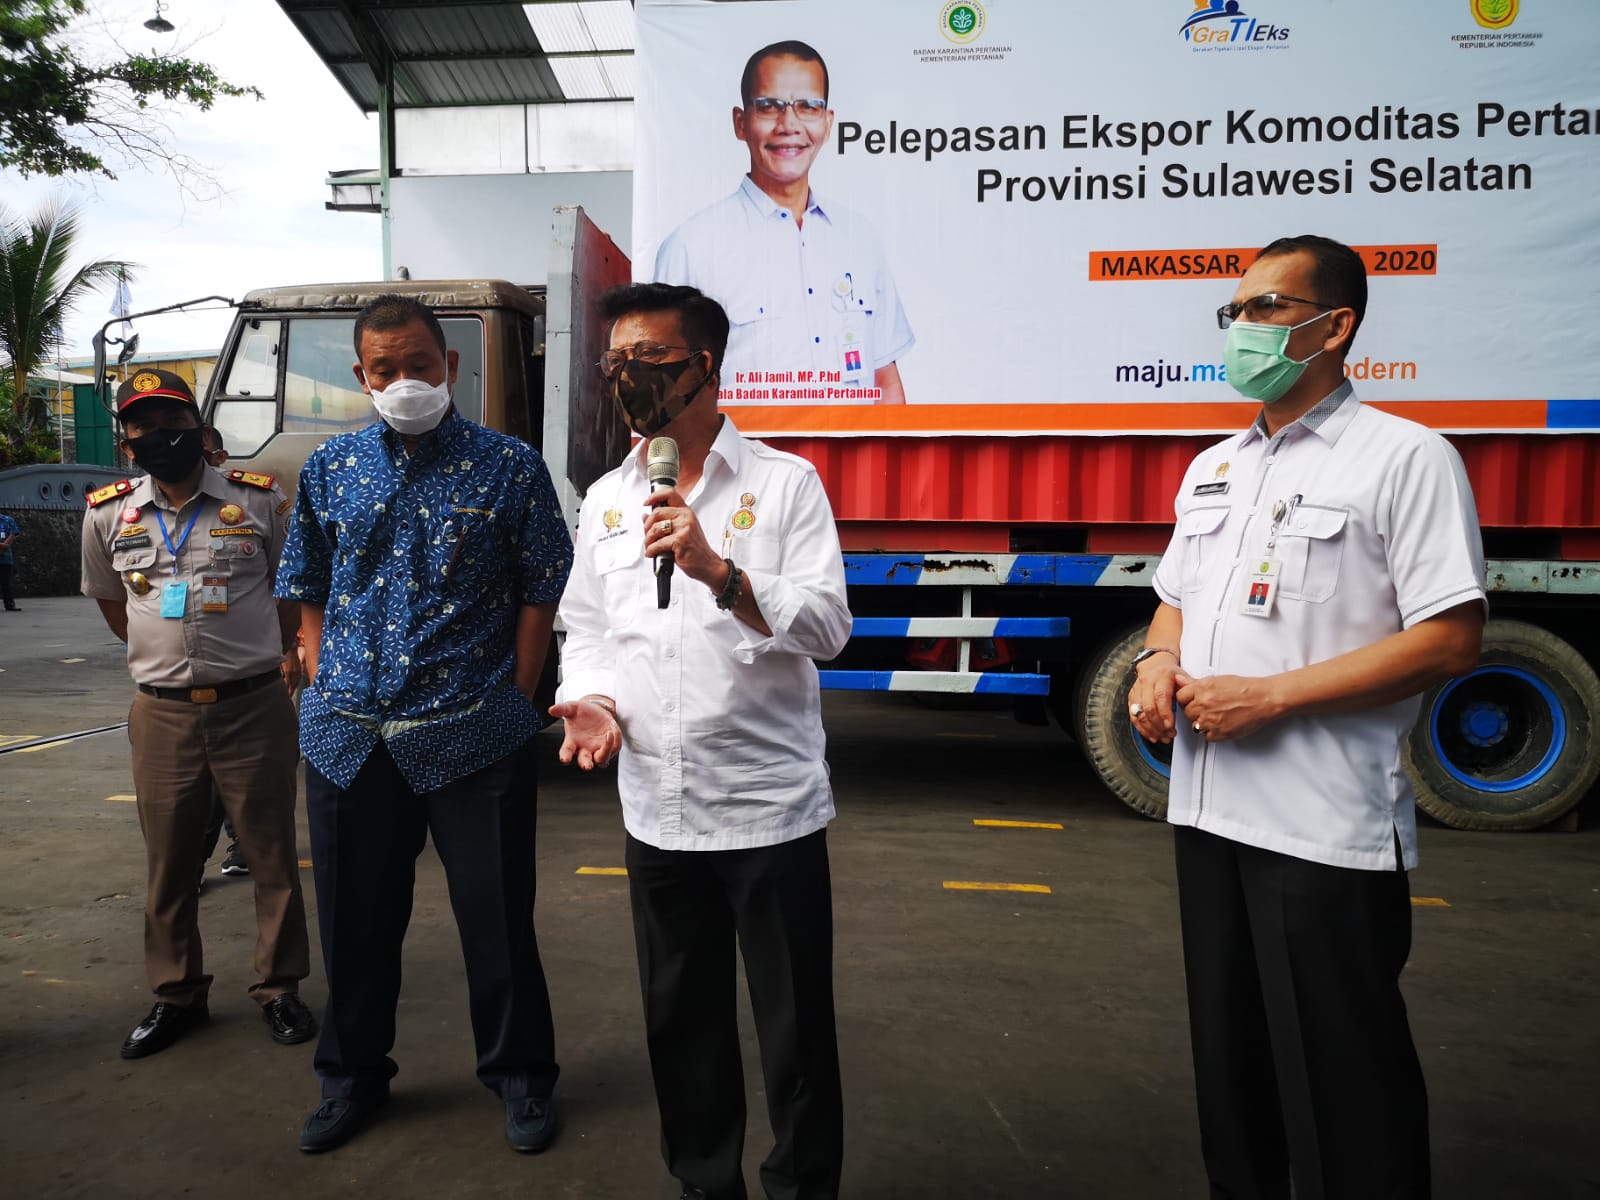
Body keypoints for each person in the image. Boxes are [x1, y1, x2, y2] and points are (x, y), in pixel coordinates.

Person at [1129, 234, 1487, 1199]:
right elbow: (1174, 601)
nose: (1242, 327)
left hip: (1322, 830)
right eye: (1236, 311)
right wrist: (1158, 660)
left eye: (1267, 308)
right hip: (1208, 816)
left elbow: (1450, 640)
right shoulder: (1216, 465)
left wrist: (1272, 696)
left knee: (1343, 1092)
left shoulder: (1404, 458)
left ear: (1335, 328)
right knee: (1233, 1082)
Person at [552, 282, 853, 1200]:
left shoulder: (784, 484)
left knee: (795, 1030)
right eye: (616, 362)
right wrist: (590, 700)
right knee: (681, 1022)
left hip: (767, 808)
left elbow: (829, 629)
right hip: (658, 809)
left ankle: (802, 1185)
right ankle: (704, 1181)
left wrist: (719, 571)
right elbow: (589, 628)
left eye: (647, 358)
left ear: (703, 366)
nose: (626, 377)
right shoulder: (609, 498)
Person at [275, 294, 572, 1155]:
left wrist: (519, 695)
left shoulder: (509, 468)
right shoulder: (331, 467)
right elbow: (308, 581)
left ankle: (521, 1077)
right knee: (355, 923)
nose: (405, 381)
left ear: (451, 367)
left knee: (497, 918)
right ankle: (351, 1078)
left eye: (419, 365)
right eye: (386, 369)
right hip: (350, 738)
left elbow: (541, 586)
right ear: (361, 375)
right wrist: (319, 670)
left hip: (472, 730)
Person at [79, 368, 316, 1059]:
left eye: (173, 421)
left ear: (199, 426)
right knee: (170, 862)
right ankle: (177, 993)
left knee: (271, 855)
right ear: (126, 440)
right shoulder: (107, 515)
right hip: (162, 715)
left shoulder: (260, 502)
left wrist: (264, 656)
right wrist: (168, 662)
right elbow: (117, 609)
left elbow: (289, 595)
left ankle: (279, 986)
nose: (161, 436)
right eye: (143, 426)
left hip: (254, 705)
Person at [653, 39, 913, 405]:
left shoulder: (860, 240)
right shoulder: (690, 248)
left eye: (808, 107)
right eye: (768, 106)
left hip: (854, 447)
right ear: (740, 123)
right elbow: (668, 394)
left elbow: (885, 383)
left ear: (828, 122)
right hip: (741, 446)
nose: (789, 124)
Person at [196, 424, 248, 881]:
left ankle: (243, 846)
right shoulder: (138, 513)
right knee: (203, 780)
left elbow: (286, 591)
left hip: (247, 676)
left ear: (219, 457)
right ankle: (194, 862)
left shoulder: (251, 506)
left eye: (203, 450)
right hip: (186, 682)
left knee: (242, 776)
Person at [0, 508, 19, 610]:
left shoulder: (8, 520)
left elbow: (13, 533)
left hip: (5, 557)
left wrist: (4, 546)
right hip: (4, 552)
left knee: (6, 582)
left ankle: (9, 605)